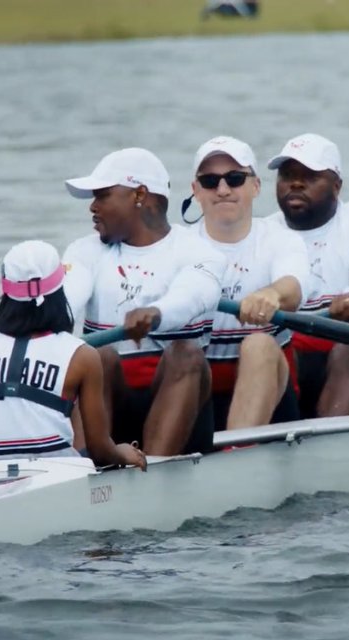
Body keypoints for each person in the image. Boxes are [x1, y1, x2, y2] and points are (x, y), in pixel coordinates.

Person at [62, 148, 227, 456]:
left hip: (184, 412)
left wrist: (156, 312)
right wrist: (44, 322)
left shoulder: (198, 250)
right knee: (98, 356)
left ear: (139, 194)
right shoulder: (84, 251)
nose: (93, 208)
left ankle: (153, 471)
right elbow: (67, 297)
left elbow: (195, 292)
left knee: (186, 354)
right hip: (110, 410)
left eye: (102, 195)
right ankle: (79, 472)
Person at [0, 240, 147, 471]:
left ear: (5, 292)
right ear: (59, 291)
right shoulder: (81, 356)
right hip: (57, 475)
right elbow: (100, 451)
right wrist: (123, 453)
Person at [264, 133, 349, 417]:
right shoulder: (264, 233)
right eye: (287, 175)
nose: (296, 183)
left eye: (311, 176)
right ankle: (241, 448)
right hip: (293, 369)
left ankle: (325, 451)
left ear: (337, 186)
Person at [187, 136, 309, 430]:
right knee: (181, 355)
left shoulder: (281, 239)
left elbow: (292, 288)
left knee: (259, 344)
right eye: (210, 181)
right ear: (195, 191)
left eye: (235, 178)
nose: (223, 189)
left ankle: (236, 454)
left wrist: (271, 294)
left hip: (272, 392)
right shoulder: (178, 246)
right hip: (197, 393)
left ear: (255, 186)